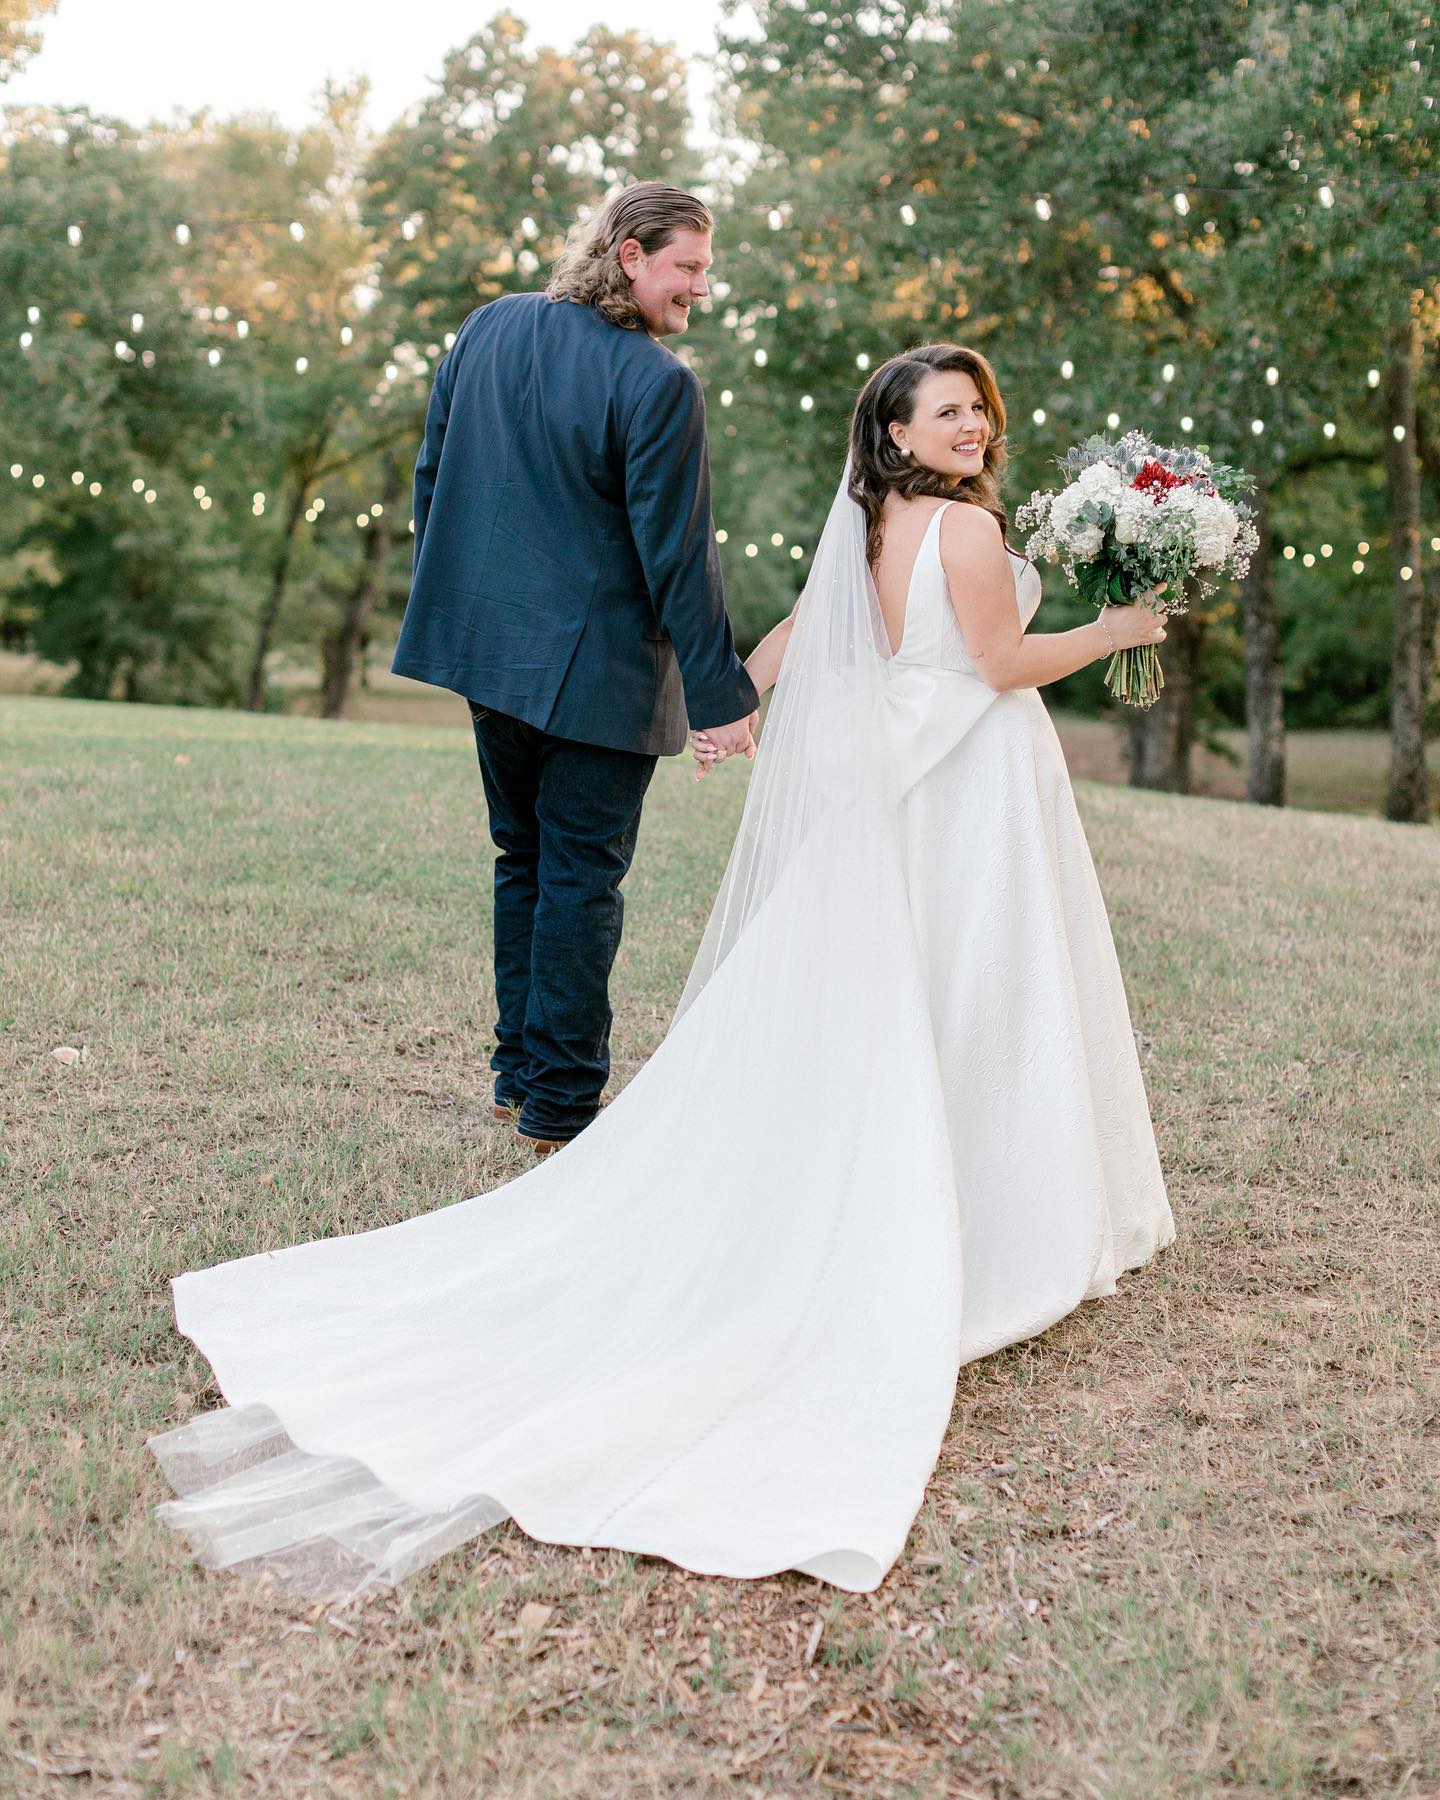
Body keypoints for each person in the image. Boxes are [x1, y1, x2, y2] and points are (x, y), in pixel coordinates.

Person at [147, 343, 1175, 1602]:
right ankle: (987, 1209)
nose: (971, 425)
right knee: (971, 990)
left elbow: (808, 628)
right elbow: (1004, 665)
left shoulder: (867, 520)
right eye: (945, 412)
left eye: (977, 409)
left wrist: (731, 696)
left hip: (896, 779)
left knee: (901, 994)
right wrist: (1117, 629)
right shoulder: (962, 532)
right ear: (898, 433)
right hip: (962, 780)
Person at [390, 182, 758, 1155]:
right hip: (596, 679)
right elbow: (678, 557)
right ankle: (560, 1107)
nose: (700, 288)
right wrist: (723, 699)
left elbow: (432, 476)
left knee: (527, 865)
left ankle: (520, 1078)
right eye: (688, 266)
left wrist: (462, 600)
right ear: (630, 255)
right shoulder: (657, 382)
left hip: (489, 654)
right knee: (580, 884)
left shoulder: (488, 327)